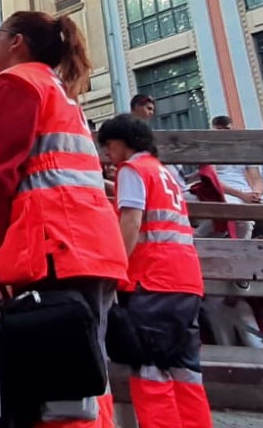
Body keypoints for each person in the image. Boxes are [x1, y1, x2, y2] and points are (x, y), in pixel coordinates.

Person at [0, 11, 129, 428]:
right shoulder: (60, 92)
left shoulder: (16, 83)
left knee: (60, 391)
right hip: (89, 245)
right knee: (86, 379)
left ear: (17, 42)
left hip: (53, 246)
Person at [98, 114, 213, 428]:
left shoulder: (132, 170)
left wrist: (115, 268)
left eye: (109, 144)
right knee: (186, 370)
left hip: (152, 280)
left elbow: (132, 221)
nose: (108, 152)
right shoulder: (162, 173)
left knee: (150, 369)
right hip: (185, 281)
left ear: (124, 143)